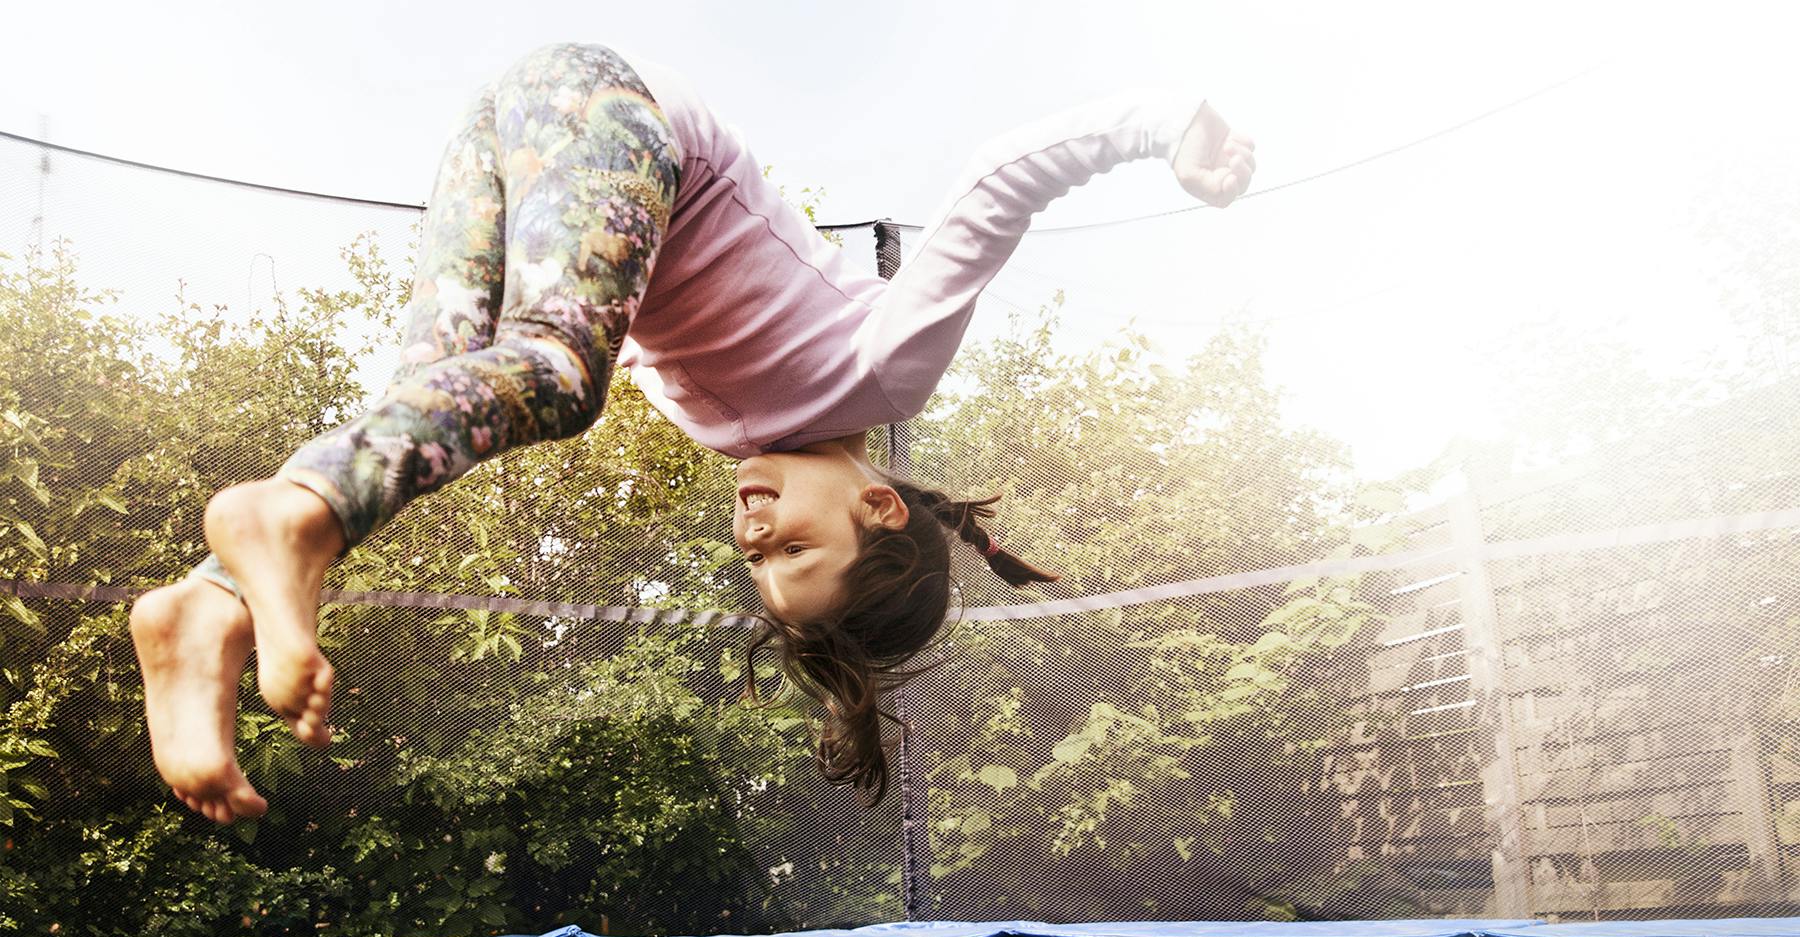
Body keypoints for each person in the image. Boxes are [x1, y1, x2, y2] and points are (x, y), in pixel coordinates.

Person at [128, 42, 1257, 825]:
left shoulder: (735, 435)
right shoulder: (884, 365)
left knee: (436, 391)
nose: (755, 532)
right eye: (794, 549)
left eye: (755, 560)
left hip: (507, 129)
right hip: (612, 114)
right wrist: (1174, 127)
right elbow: (1000, 182)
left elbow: (449, 408)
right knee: (564, 376)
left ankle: (209, 604)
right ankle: (284, 524)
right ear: (880, 504)